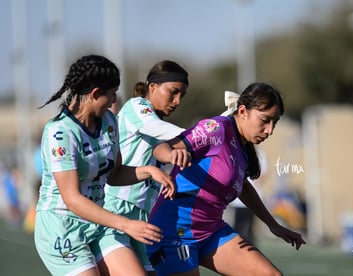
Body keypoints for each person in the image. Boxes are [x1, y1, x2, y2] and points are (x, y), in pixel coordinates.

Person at [34, 54, 176, 276]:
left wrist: (148, 171)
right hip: (62, 227)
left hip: (98, 223)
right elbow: (72, 199)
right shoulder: (60, 133)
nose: (113, 101)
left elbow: (115, 174)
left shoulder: (109, 123)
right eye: (110, 95)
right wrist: (126, 225)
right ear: (95, 94)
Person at [147, 82, 306, 275]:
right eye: (265, 120)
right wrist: (171, 155)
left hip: (211, 231)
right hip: (175, 233)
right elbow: (160, 148)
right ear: (242, 111)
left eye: (275, 122)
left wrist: (272, 224)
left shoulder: (242, 147)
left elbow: (244, 188)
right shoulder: (215, 129)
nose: (269, 130)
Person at [99, 60, 189, 275]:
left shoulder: (155, 121)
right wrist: (210, 136)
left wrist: (173, 155)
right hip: (114, 209)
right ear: (153, 87)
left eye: (181, 96)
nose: (177, 101)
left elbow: (161, 148)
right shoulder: (137, 107)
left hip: (142, 216)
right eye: (173, 92)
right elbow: (160, 131)